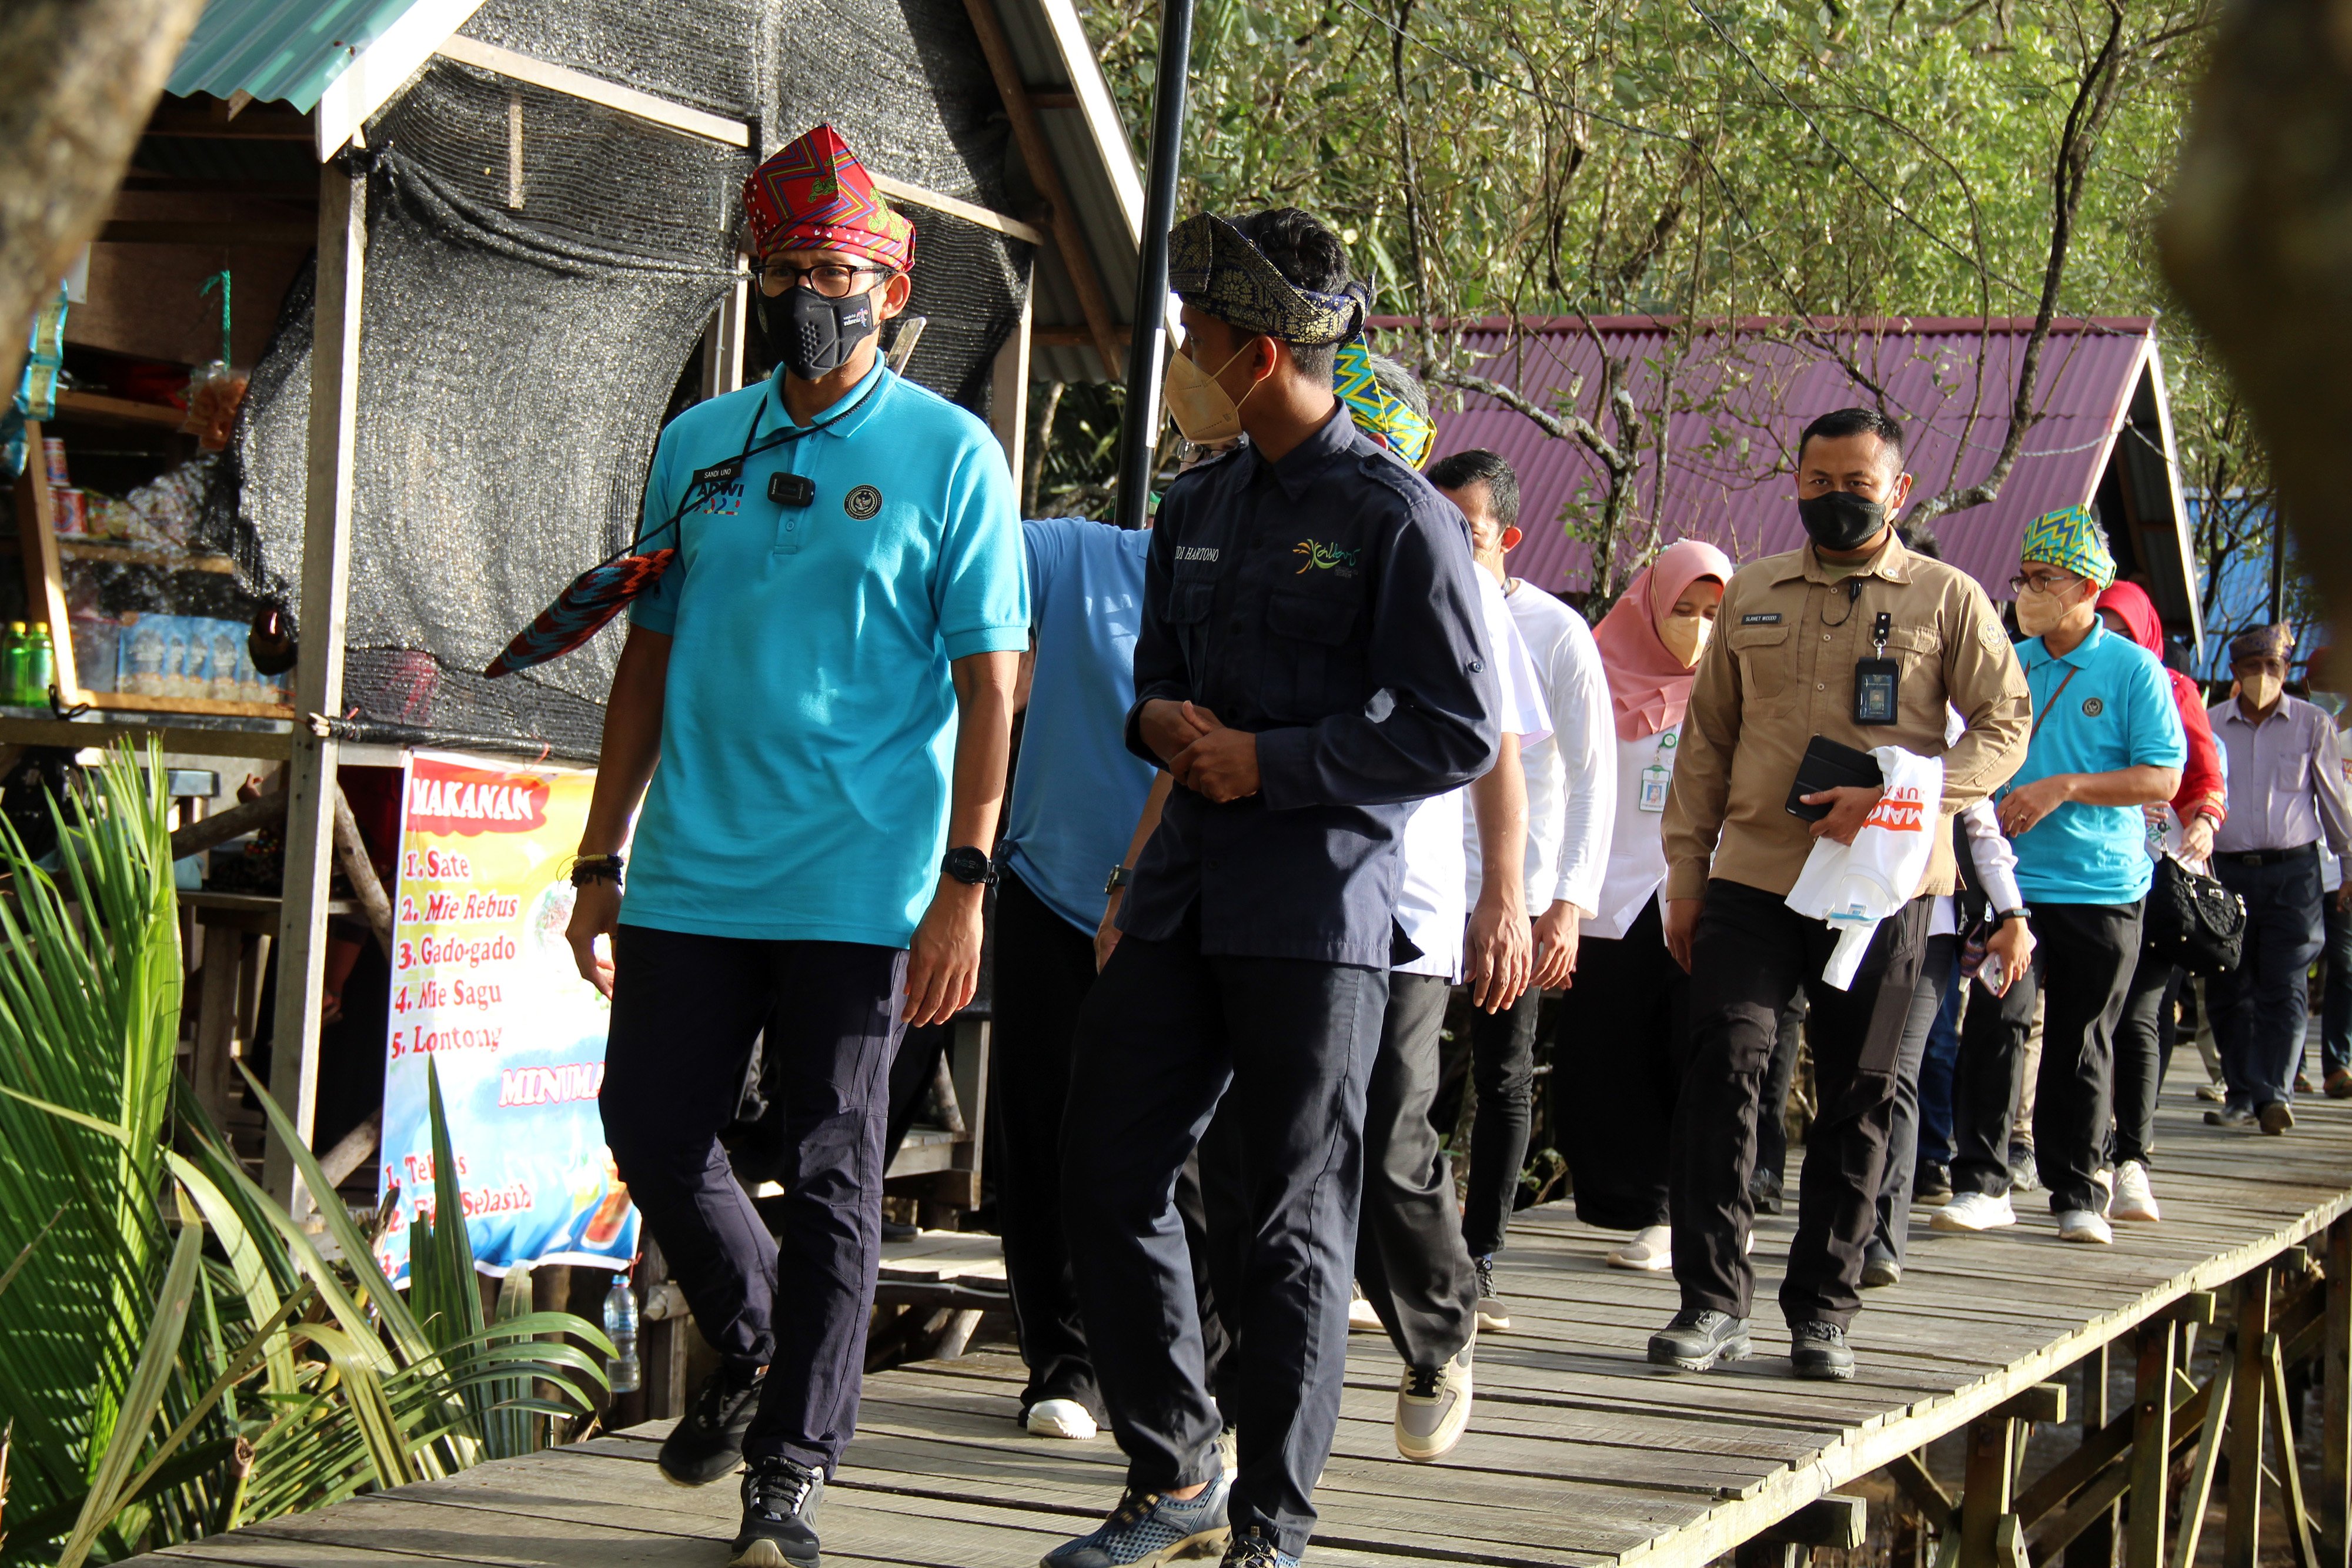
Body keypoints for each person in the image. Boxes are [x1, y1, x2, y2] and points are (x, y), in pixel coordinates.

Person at [567, 126, 1028, 1568]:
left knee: (834, 1171)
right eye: (788, 268)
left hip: (861, 880)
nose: (812, 292)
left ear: (891, 292)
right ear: (757, 281)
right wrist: (599, 857)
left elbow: (992, 682)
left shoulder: (951, 455)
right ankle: (759, 1341)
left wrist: (964, 882)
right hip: (695, 870)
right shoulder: (701, 446)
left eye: (838, 269)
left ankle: (791, 1470)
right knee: (646, 1127)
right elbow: (645, 654)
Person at [1048, 209, 1498, 1568]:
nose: (1177, 356)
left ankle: (1272, 1529)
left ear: (1254, 354)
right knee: (1106, 1170)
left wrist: (1275, 761)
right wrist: (1167, 731)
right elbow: (1151, 689)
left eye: (1192, 336)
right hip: (1179, 893)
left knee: (1294, 1224)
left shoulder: (1396, 518)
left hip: (1314, 918)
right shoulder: (1194, 501)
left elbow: (1455, 728)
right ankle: (1174, 1468)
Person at [1651, 406, 2029, 1381]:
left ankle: (1823, 1310)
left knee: (1868, 1090)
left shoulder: (1948, 598)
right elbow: (1706, 747)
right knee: (1726, 1062)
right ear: (1797, 483)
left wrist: (1910, 796)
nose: (1837, 497)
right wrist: (1685, 878)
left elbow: (2005, 721)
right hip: (1755, 878)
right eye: (1818, 481)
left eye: (1858, 482)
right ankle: (1711, 1301)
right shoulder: (1752, 594)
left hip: (1891, 890)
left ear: (1899, 491)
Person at [1933, 507, 2184, 1249]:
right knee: (1998, 1022)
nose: (2028, 592)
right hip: (2014, 884)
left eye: (2044, 580)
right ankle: (1981, 1181)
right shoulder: (2009, 660)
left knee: (2083, 1037)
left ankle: (2078, 1187)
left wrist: (2064, 787)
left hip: (2103, 885)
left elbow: (2163, 776)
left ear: (2088, 588)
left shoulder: (2131, 669)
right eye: (2024, 578)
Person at [994, 513, 1186, 1444]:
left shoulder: (1254, 579)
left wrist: (1136, 885)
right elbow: (973, 537)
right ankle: (1063, 1362)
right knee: (1039, 1134)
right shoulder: (1082, 554)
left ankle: (1182, 1367)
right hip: (1047, 887)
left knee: (1172, 1149)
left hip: (1176, 902)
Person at [1429, 447, 1616, 1328]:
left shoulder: (1555, 631)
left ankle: (1484, 1256)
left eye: (1466, 531)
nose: (1451, 547)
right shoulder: (1414, 608)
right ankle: (1395, 1252)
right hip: (1426, 887)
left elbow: (1593, 775)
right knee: (1407, 1074)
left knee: (1503, 1077)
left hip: (1524, 890)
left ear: (1507, 535)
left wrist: (1568, 904)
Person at [1551, 539, 1732, 1272]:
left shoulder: (1741, 687)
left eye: (1714, 615)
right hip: (1613, 894)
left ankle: (1691, 1207)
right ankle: (1635, 1202)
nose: (1697, 628)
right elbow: (1567, 786)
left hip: (1705, 891)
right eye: (1683, 610)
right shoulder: (1595, 673)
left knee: (1701, 1052)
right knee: (1612, 1054)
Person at [2094, 580, 2227, 1218]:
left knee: (2141, 1015)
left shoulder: (2175, 689)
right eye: (2102, 628)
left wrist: (2204, 817)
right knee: (2087, 1015)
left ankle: (2131, 1161)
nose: (2110, 643)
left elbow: (2203, 774)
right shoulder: (2065, 677)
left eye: (2122, 630)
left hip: (2155, 875)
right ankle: (2079, 1154)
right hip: (2083, 871)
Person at [2203, 624, 2352, 1132]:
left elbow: (2334, 804)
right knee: (2229, 984)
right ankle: (2241, 1093)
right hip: (2225, 874)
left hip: (2294, 874)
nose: (2263, 677)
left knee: (2285, 983)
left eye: (2273, 668)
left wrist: (2349, 869)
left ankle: (2274, 1094)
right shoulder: (2210, 723)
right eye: (2253, 668)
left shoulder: (2314, 724)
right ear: (2235, 673)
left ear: (2286, 673)